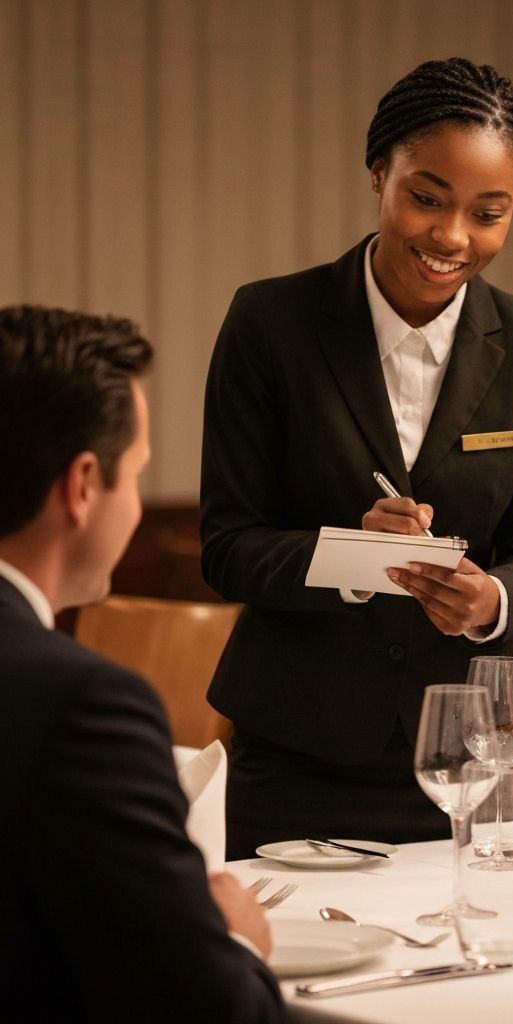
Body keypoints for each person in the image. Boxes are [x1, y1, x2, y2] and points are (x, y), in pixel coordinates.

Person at [201, 57, 513, 858]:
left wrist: (491, 601)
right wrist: (353, 557)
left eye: (488, 213)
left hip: (472, 757)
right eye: (427, 198)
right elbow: (228, 548)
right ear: (379, 172)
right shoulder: (271, 323)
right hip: (298, 755)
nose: (452, 237)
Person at [0, 305, 285, 1023]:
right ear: (83, 485)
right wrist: (237, 940)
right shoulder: (82, 702)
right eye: (136, 475)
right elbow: (209, 1008)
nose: (135, 505)